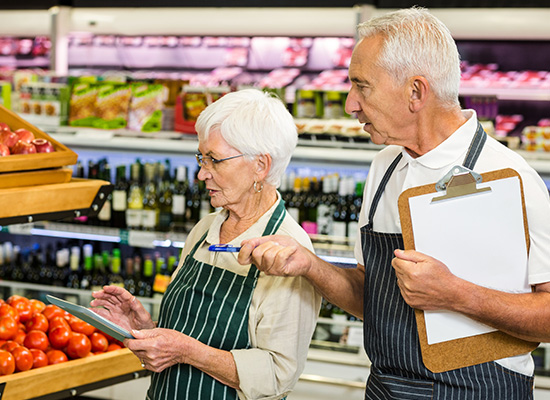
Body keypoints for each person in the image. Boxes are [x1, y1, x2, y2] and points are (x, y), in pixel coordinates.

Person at [238, 7, 550, 399]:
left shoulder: (509, 178)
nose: (351, 104)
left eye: (361, 86)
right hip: (387, 388)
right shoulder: (386, 166)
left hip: (479, 391)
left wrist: (456, 294)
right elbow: (376, 299)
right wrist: (309, 264)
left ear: (416, 91)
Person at [90, 89, 321, 400]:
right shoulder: (204, 230)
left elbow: (278, 373)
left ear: (261, 166)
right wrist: (145, 327)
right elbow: (189, 334)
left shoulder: (289, 252)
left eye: (215, 160)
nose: (201, 173)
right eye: (201, 157)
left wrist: (187, 352)